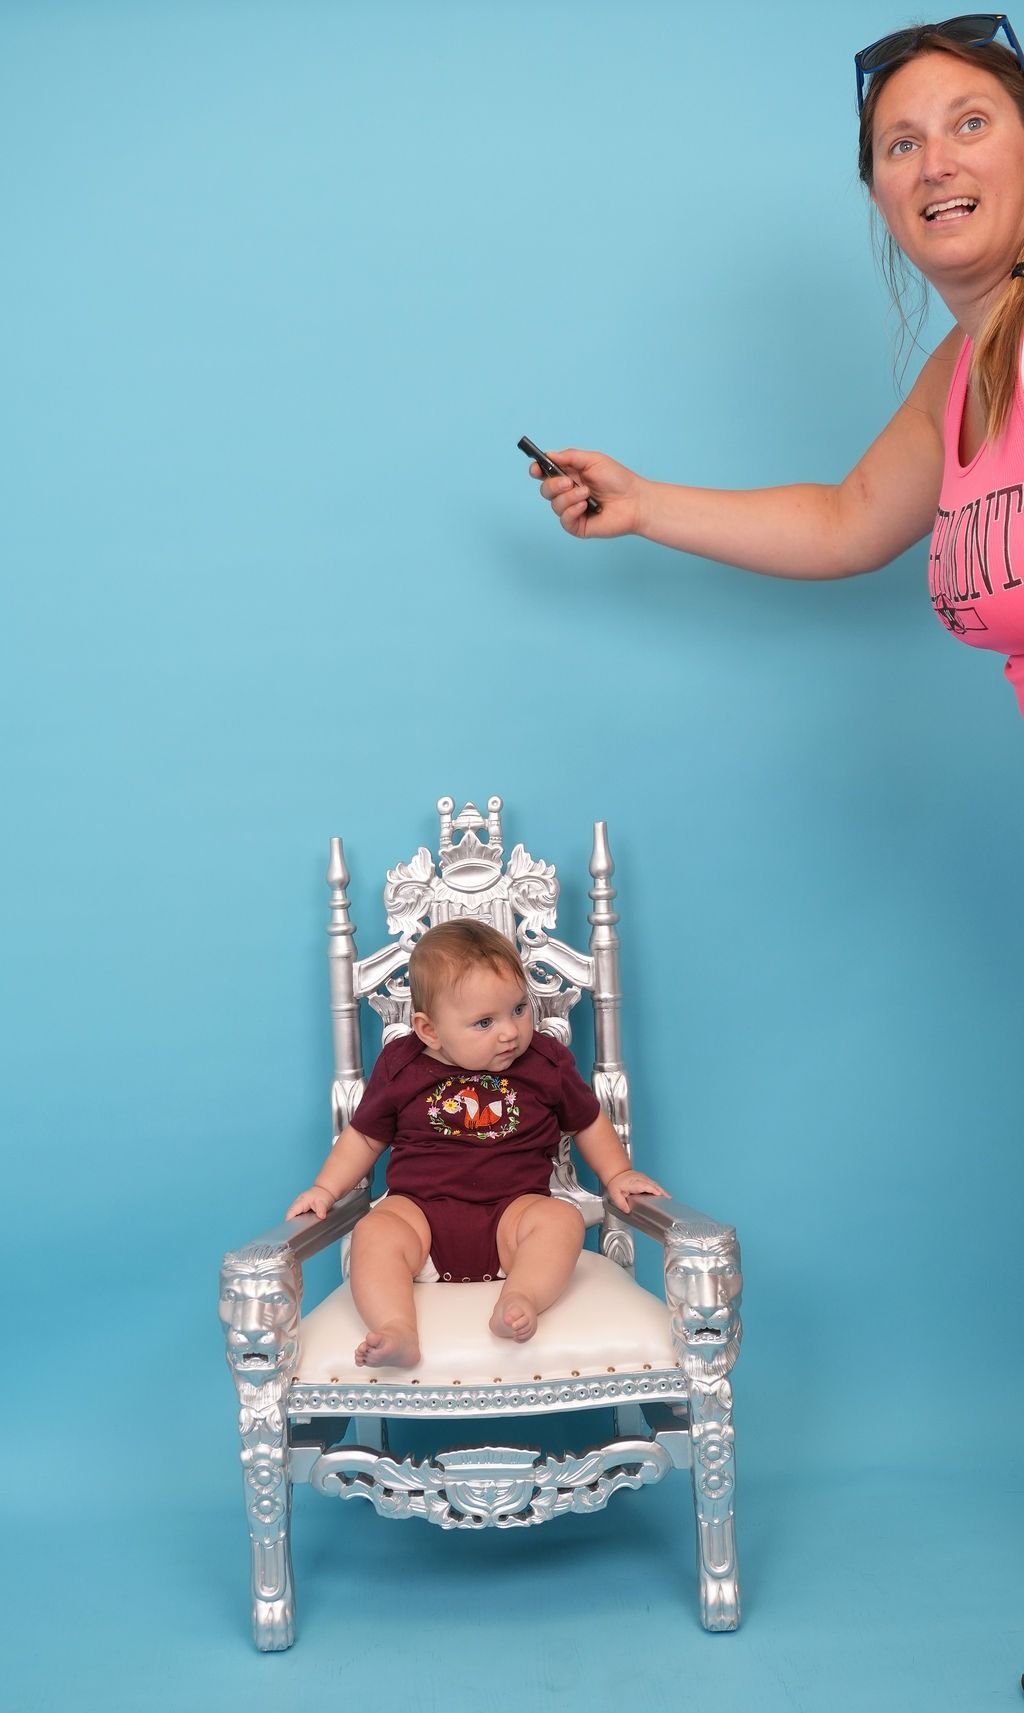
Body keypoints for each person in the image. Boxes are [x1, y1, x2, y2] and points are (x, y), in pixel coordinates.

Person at [527, 17, 1024, 712]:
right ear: (879, 196)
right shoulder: (960, 366)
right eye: (902, 144)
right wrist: (643, 504)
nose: (935, 164)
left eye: (971, 124)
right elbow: (846, 521)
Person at [285, 918, 665, 1368]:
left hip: (513, 1218)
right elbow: (365, 1137)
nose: (509, 1032)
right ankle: (396, 1327)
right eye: (484, 1022)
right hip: (420, 1217)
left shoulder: (544, 1061)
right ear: (429, 1030)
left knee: (560, 1220)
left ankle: (521, 1295)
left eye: (519, 1009)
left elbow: (586, 1122)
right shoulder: (402, 1067)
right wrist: (325, 1189)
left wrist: (617, 1173)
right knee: (375, 1231)